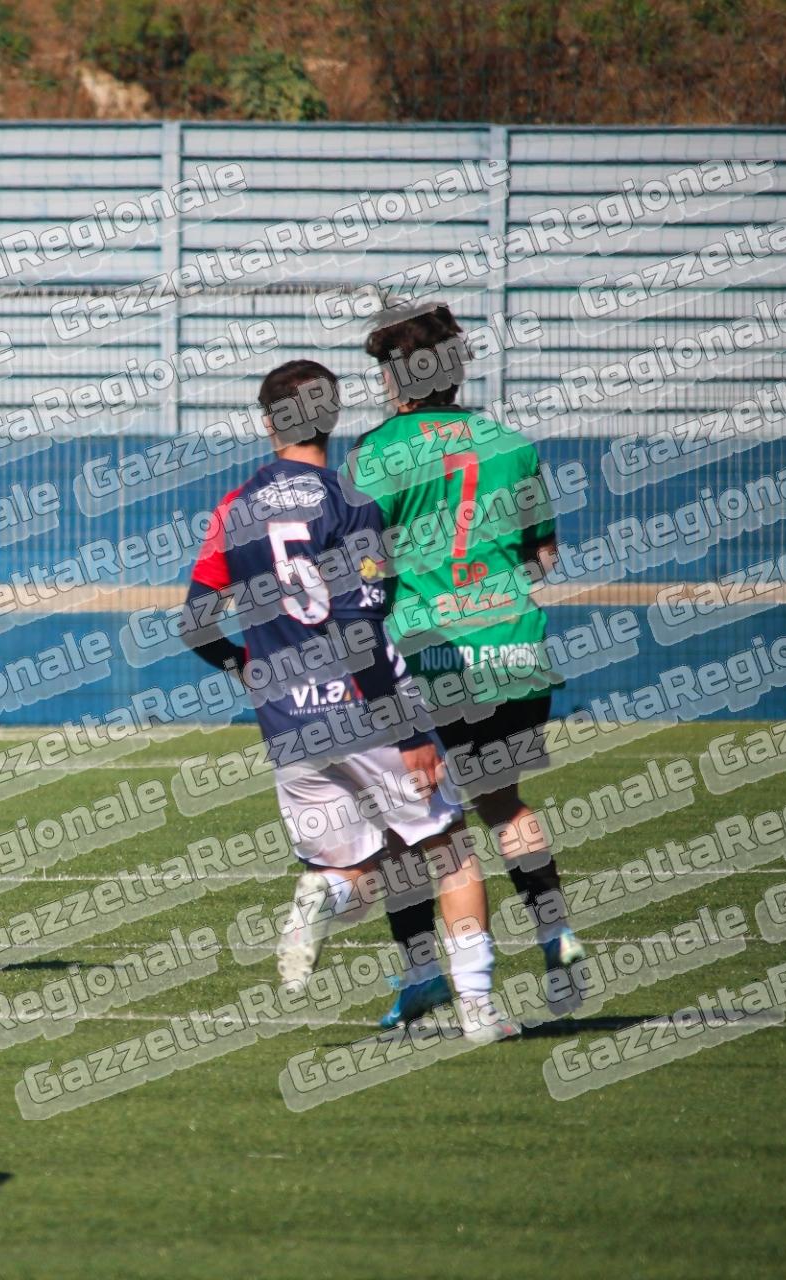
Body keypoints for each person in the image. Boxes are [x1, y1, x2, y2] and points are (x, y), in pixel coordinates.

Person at [181, 359, 516, 1042]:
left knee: (353, 868)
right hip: (366, 707)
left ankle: (326, 898)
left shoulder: (233, 508)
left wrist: (244, 666)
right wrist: (409, 732)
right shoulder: (349, 500)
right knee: (450, 850)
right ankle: (480, 1010)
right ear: (332, 418)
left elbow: (195, 622)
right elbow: (359, 628)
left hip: (288, 722)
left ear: (268, 422)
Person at [344, 301, 589, 1021]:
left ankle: (425, 972)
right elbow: (543, 554)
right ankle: (555, 934)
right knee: (504, 802)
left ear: (400, 377)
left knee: (407, 822)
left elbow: (360, 563)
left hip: (426, 653)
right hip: (512, 644)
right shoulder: (511, 444)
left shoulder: (376, 452)